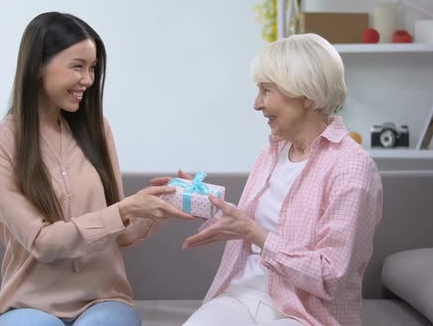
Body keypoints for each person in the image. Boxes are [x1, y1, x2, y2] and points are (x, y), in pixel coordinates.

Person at [0, 12, 192, 326]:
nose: (88, 80)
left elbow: (121, 235)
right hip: (29, 304)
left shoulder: (97, 131)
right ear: (37, 65)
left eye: (92, 69)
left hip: (103, 299)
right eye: (77, 66)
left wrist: (159, 204)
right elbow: (43, 242)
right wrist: (124, 209)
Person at [153, 33, 382, 325]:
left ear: (306, 94)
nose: (256, 104)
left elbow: (330, 276)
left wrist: (256, 234)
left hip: (305, 313)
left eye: (266, 90)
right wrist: (205, 202)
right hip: (245, 295)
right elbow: (252, 225)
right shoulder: (273, 151)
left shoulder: (351, 167)